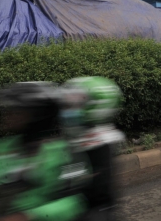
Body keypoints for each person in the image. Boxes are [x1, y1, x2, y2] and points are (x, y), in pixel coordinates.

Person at [0, 82, 88, 221]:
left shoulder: (65, 153)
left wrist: (29, 216)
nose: (6, 114)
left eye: (15, 110)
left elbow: (74, 202)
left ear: (37, 115)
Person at [60, 76, 125, 221]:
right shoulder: (74, 137)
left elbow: (94, 189)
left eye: (75, 105)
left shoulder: (102, 140)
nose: (68, 111)